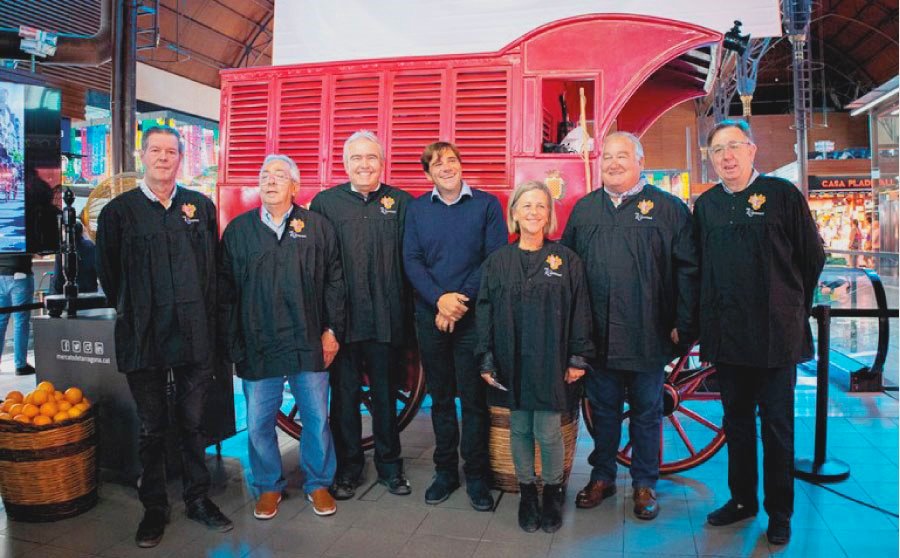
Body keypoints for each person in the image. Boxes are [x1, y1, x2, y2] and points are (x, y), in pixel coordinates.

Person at [96, 125, 232, 548]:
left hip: (193, 334)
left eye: (171, 151)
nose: (163, 158)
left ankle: (197, 498)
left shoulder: (199, 207)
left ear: (180, 158)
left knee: (193, 424)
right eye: (155, 150)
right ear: (143, 155)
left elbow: (213, 271)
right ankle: (154, 507)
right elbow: (109, 275)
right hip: (144, 333)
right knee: (153, 428)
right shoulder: (119, 212)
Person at [695, 119, 824, 546]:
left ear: (752, 150)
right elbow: (702, 271)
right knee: (736, 426)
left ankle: (780, 512)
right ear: (710, 159)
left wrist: (790, 308)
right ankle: (742, 500)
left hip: (775, 337)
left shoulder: (782, 196)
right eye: (717, 150)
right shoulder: (708, 206)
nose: (727, 156)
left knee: (777, 428)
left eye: (734, 146)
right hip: (729, 337)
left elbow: (811, 258)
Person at [561, 131, 698, 520]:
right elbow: (569, 272)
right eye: (607, 156)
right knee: (602, 412)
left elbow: (689, 270)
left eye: (622, 156)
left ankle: (644, 484)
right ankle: (602, 477)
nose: (614, 163)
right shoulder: (585, 209)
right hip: (599, 336)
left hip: (648, 334)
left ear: (640, 161)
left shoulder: (668, 209)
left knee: (646, 412)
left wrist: (683, 324)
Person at [219, 154, 345, 520]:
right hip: (258, 342)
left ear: (295, 185)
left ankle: (319, 483)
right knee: (258, 422)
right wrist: (233, 341)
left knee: (317, 419)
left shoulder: (317, 227)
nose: (270, 181)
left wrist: (332, 331)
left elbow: (335, 283)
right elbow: (225, 292)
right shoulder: (240, 231)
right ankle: (268, 487)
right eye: (264, 175)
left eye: (279, 176)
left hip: (308, 339)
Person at [475, 180, 593, 533]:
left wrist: (577, 357)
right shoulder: (497, 262)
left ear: (549, 214)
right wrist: (486, 357)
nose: (533, 212)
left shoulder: (566, 260)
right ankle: (527, 492)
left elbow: (580, 311)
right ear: (514, 213)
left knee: (547, 430)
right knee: (520, 429)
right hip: (510, 359)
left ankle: (553, 491)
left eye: (540, 206)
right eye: (526, 206)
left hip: (551, 359)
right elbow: (484, 311)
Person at [403, 141, 507, 510]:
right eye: (436, 163)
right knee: (442, 399)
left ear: (461, 165)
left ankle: (477, 476)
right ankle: (445, 472)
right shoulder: (416, 210)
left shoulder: (486, 205)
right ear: (428, 173)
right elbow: (412, 261)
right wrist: (439, 301)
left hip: (473, 317)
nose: (445, 167)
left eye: (451, 160)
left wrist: (458, 300)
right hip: (431, 317)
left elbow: (494, 257)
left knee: (475, 401)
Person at [310, 131, 412, 499]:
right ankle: (349, 468)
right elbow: (316, 267)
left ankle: (390, 468)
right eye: (357, 158)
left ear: (383, 163)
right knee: (345, 397)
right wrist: (325, 324)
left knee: (386, 397)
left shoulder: (402, 203)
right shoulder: (324, 204)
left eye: (371, 157)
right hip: (343, 322)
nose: (364, 164)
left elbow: (412, 260)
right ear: (345, 163)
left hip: (388, 320)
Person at [0, 254, 34, 375]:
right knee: (21, 321)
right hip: (19, 274)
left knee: (0, 321)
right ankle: (20, 365)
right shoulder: (24, 233)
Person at [51, 220, 99, 295]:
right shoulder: (91, 246)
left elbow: (58, 278)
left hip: (68, 294)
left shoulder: (63, 249)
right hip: (90, 292)